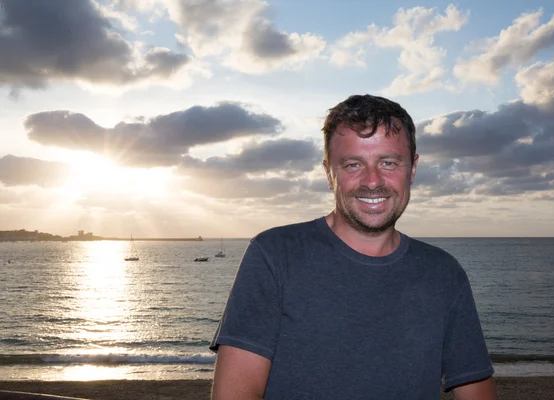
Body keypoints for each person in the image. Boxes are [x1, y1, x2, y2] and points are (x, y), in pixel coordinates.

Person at [210, 94, 498, 399]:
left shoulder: (444, 274)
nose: (372, 181)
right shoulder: (275, 255)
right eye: (353, 164)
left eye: (388, 162)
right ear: (329, 174)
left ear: (412, 169)